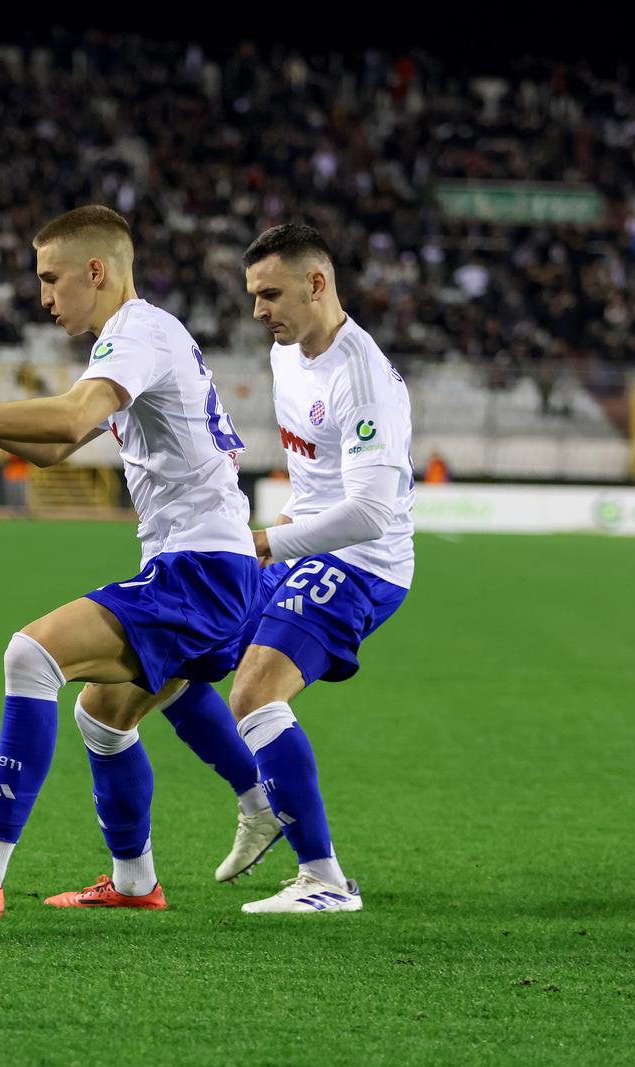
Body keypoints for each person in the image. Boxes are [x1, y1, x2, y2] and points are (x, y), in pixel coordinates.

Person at [0, 205, 264, 923]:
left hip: (199, 571)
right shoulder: (140, 339)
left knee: (31, 654)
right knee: (104, 718)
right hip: (215, 569)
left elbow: (67, 420)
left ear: (98, 271)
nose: (43, 296)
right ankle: (138, 877)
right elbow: (57, 447)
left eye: (51, 278)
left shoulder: (137, 331)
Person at [223, 222, 418, 914]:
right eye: (253, 295)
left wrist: (270, 542)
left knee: (254, 692)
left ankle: (325, 879)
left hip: (363, 560)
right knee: (183, 647)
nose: (258, 311)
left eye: (270, 293)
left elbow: (369, 511)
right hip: (302, 543)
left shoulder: (361, 380)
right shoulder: (288, 353)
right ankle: (262, 801)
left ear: (317, 283)